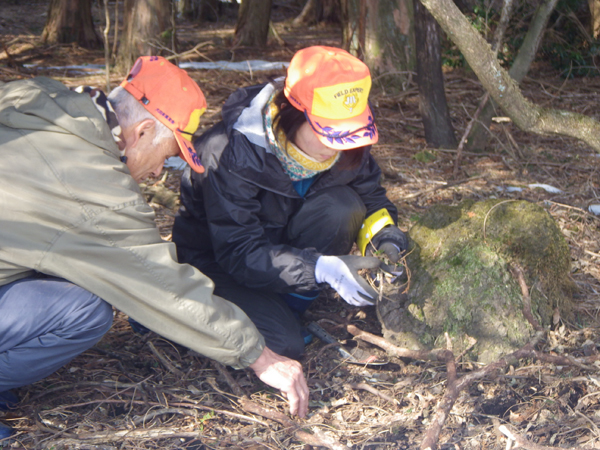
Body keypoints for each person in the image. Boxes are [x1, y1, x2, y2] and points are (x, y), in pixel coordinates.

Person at [0, 56, 309, 440]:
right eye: (167, 155)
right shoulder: (89, 186)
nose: (160, 172)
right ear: (143, 131)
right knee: (84, 311)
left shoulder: (39, 100)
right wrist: (258, 355)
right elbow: (158, 281)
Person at [172, 46, 408, 360]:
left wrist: (386, 239)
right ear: (294, 112)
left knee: (343, 206)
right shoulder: (229, 152)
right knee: (283, 346)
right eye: (328, 133)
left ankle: (290, 307)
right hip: (218, 263)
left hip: (283, 252)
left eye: (345, 134)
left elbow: (371, 198)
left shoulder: (351, 143)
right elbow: (238, 251)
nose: (335, 147)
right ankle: (187, 314)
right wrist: (320, 268)